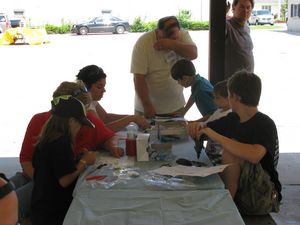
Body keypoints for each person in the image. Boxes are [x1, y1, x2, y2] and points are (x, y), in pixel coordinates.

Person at [13, 81, 123, 223]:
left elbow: (107, 136)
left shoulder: (52, 134)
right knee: (10, 202)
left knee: (10, 195)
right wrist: (83, 162)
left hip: (47, 184)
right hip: (39, 181)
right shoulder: (55, 134)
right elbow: (28, 161)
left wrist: (111, 148)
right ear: (72, 119)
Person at [188, 70, 282, 215]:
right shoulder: (233, 119)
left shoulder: (264, 123)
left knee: (230, 154)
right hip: (245, 188)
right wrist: (195, 127)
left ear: (235, 97)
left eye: (229, 94)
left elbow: (254, 155)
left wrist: (214, 135)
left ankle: (227, 206)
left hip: (263, 194)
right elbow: (205, 129)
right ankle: (227, 199)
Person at [31, 96, 97, 225]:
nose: (80, 129)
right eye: (80, 124)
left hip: (41, 207)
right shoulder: (61, 144)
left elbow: (55, 168)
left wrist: (78, 159)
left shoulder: (46, 141)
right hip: (53, 214)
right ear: (71, 121)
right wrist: (84, 162)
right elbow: (64, 180)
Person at [131, 16, 198, 118]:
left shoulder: (182, 35)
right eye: (163, 38)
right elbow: (138, 78)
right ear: (158, 32)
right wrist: (147, 105)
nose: (163, 43)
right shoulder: (143, 43)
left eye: (174, 38)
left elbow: (193, 54)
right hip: (147, 107)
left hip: (175, 107)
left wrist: (172, 44)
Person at [76, 65, 150, 131]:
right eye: (99, 87)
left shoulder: (90, 99)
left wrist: (134, 117)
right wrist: (131, 118)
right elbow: (101, 131)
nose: (104, 90)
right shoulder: (85, 103)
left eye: (103, 86)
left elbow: (105, 117)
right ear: (85, 87)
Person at [203, 80, 231, 165]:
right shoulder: (218, 111)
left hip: (219, 155)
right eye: (214, 97)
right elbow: (206, 125)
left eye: (217, 98)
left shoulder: (230, 115)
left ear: (229, 98)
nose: (214, 100)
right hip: (210, 151)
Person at [225, 0, 254, 79]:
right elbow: (218, 28)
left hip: (247, 81)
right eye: (242, 7)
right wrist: (222, 13)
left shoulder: (246, 27)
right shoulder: (228, 26)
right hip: (232, 84)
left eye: (248, 7)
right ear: (234, 7)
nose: (245, 10)